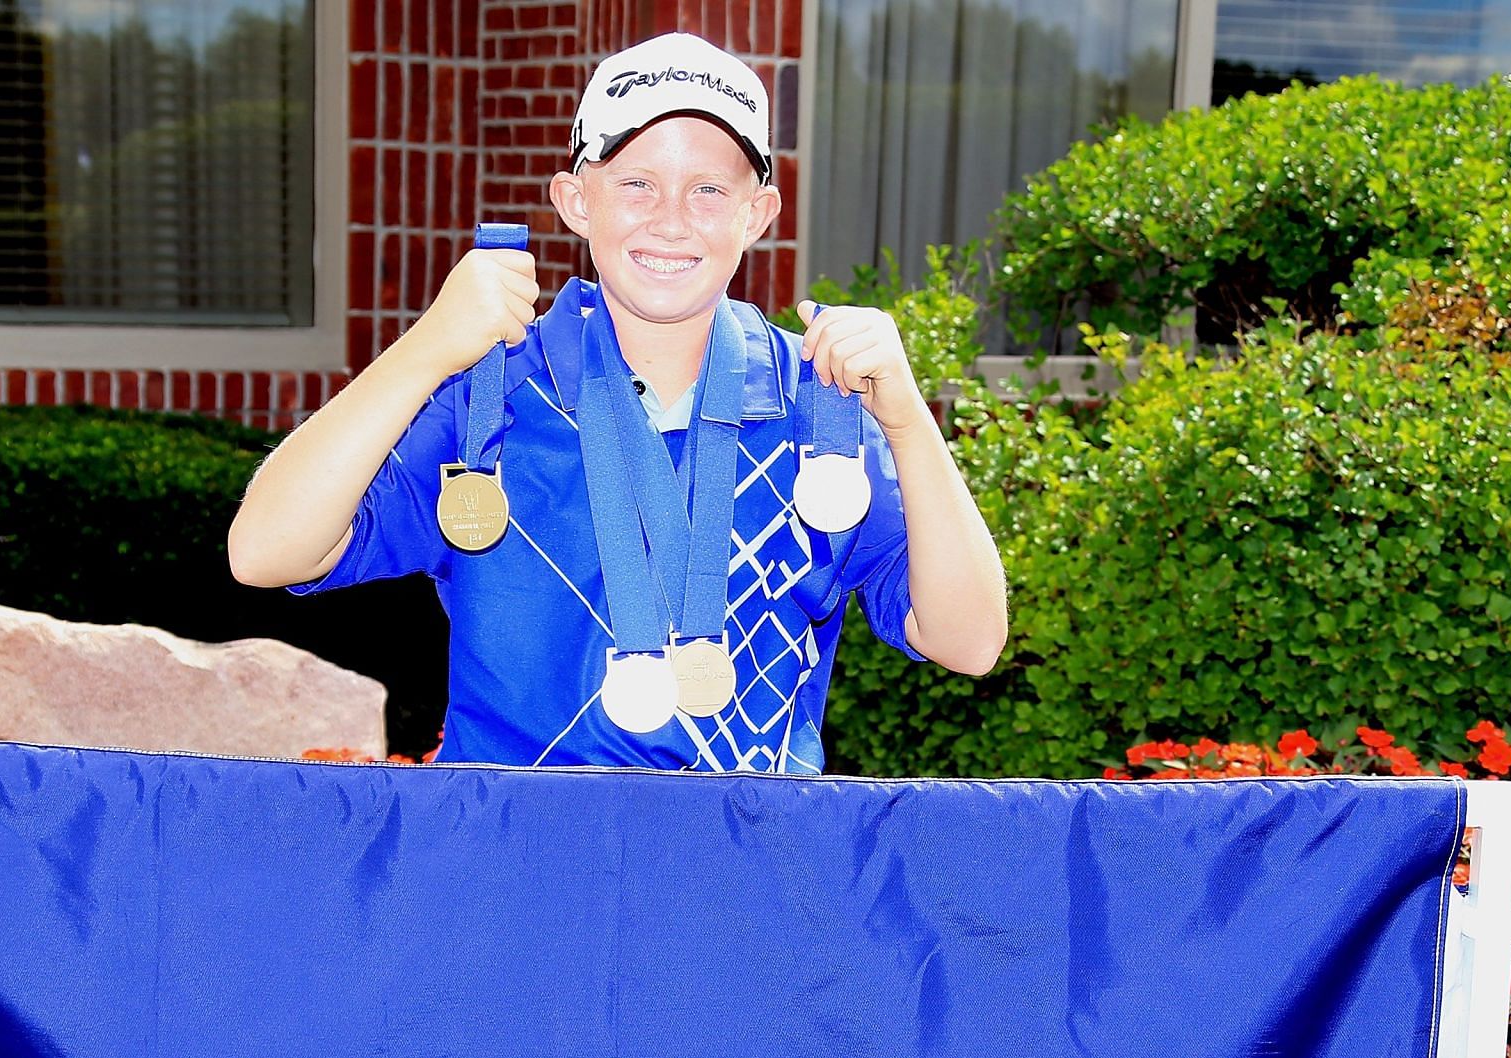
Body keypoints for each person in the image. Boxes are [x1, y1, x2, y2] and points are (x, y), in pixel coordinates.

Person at [229, 34, 1006, 774]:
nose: (670, 218)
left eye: (709, 189)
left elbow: (968, 641)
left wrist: (907, 426)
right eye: (636, 182)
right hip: (518, 869)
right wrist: (425, 349)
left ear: (757, 215)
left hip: (747, 880)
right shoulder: (492, 402)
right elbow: (265, 551)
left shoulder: (819, 411)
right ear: (576, 199)